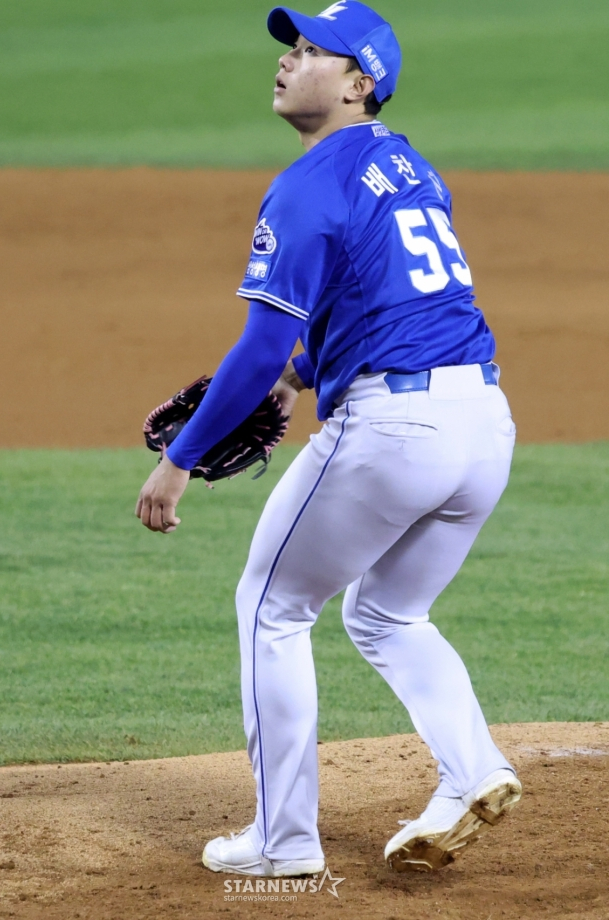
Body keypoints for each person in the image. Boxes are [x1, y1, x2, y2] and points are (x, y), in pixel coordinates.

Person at [136, 0, 522, 877]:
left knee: (271, 608)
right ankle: (473, 769)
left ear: (358, 84)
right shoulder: (406, 164)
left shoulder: (307, 184)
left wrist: (179, 460)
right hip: (482, 425)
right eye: (291, 47)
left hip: (393, 434)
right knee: (386, 613)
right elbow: (392, 302)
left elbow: (258, 345)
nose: (287, 60)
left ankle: (282, 842)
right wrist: (301, 375)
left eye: (313, 51)